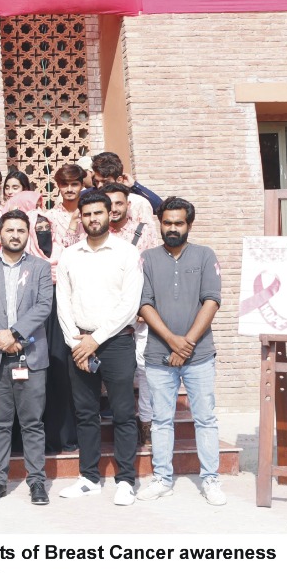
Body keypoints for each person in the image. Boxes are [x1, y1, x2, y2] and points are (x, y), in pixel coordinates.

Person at [55, 191, 144, 506]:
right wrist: (74, 341)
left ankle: (125, 480)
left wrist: (97, 338)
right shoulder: (70, 255)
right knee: (86, 413)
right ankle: (89, 477)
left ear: (110, 215)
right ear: (80, 217)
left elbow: (129, 304)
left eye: (98, 213)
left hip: (117, 341)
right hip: (79, 342)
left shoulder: (125, 253)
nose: (93, 219)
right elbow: (62, 301)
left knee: (122, 412)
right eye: (87, 214)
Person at [136, 197, 225, 506]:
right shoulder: (147, 258)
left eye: (178, 223)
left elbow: (211, 301)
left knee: (205, 418)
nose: (172, 228)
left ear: (189, 224)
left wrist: (185, 344)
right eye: (167, 222)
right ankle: (162, 479)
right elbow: (144, 304)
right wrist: (173, 342)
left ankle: (210, 478)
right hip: (159, 355)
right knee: (161, 420)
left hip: (199, 355)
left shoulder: (204, 256)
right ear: (160, 223)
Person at [0, 210, 54, 506]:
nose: (15, 235)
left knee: (32, 423)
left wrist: (15, 334)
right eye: (10, 230)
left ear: (27, 234)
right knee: (0, 423)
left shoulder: (41, 268)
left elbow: (44, 306)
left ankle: (37, 482)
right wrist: (0, 337)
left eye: (21, 230)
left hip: (30, 354)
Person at [103, 181, 160, 445]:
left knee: (145, 369)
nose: (113, 209)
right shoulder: (96, 233)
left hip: (141, 313)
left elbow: (153, 270)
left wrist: (144, 307)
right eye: (109, 204)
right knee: (120, 372)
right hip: (109, 316)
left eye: (118, 203)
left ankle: (146, 424)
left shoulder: (144, 230)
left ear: (128, 204)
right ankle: (122, 424)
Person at [90, 151, 162, 215]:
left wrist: (135, 186)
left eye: (105, 182)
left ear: (119, 180)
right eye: (96, 181)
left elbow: (160, 209)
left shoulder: (131, 197)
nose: (99, 186)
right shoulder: (90, 194)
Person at [43, 164, 86, 251]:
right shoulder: (50, 217)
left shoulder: (89, 214)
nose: (69, 189)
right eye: (65, 184)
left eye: (74, 184)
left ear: (82, 185)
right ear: (58, 185)